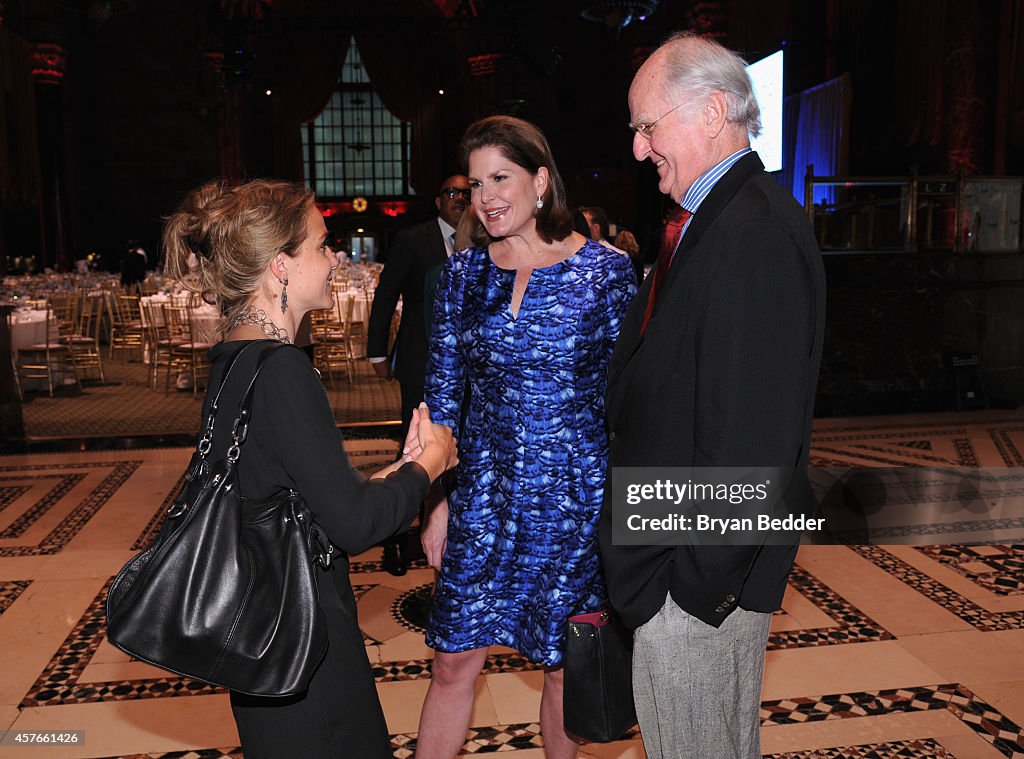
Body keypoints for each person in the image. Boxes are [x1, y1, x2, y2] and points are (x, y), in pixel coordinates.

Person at [162, 178, 458, 759]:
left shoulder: (235, 360)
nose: (335, 259)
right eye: (322, 245)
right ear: (280, 267)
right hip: (303, 645)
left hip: (266, 641)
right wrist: (431, 463)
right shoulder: (283, 372)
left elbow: (290, 497)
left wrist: (396, 470)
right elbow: (351, 526)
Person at [597, 33, 826, 758]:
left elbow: (753, 434)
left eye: (647, 125)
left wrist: (692, 588)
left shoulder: (752, 229)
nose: (639, 149)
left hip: (696, 578)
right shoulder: (713, 221)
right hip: (678, 557)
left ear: (715, 110)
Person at [415, 115, 636, 758]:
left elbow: (630, 399)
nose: (485, 196)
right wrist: (436, 504)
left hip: (574, 500)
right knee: (453, 662)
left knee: (564, 667)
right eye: (476, 182)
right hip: (485, 498)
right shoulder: (463, 276)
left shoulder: (606, 275)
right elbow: (442, 401)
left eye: (501, 178)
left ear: (541, 180)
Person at [367, 174, 471, 575]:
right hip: (417, 357)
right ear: (437, 200)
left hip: (463, 368)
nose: (460, 198)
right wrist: (377, 350)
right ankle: (395, 535)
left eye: (466, 192)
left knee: (456, 446)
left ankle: (451, 527)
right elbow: (386, 294)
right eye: (451, 192)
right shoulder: (414, 239)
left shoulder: (484, 234)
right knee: (414, 446)